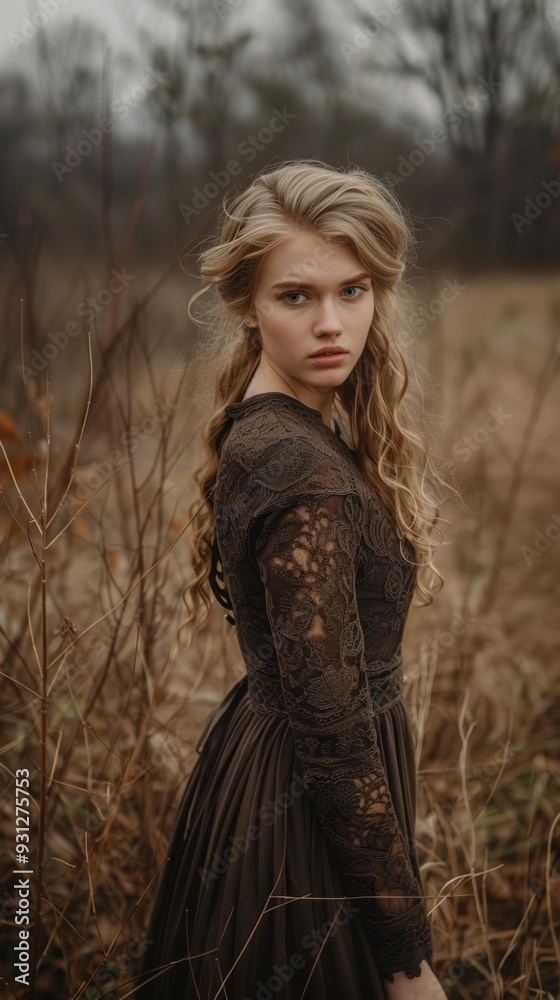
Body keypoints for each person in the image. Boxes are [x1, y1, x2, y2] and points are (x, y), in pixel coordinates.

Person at [135, 160, 450, 999]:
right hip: (305, 816)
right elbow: (334, 729)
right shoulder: (295, 463)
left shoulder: (287, 432)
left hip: (277, 775)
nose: (331, 323)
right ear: (245, 304)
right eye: (296, 296)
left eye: (353, 291)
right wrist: (406, 957)